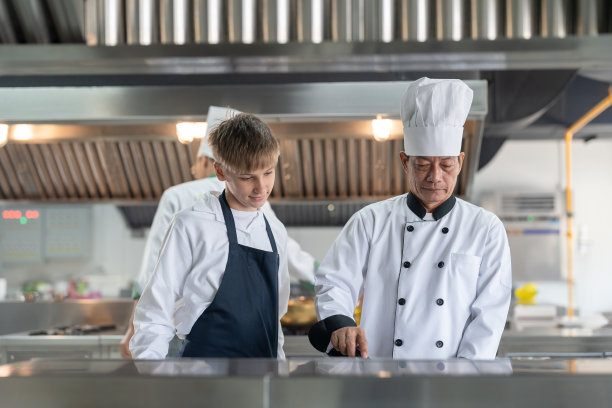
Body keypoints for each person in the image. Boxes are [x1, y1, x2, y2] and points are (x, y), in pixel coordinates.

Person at [308, 77, 512, 360]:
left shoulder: (485, 228)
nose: (435, 177)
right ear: (405, 162)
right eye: (423, 164)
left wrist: (466, 375)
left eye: (446, 164)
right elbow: (334, 281)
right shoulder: (371, 221)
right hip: (380, 373)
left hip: (452, 379)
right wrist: (341, 322)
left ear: (461, 162)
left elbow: (490, 312)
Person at [119, 106, 317, 358]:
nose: (261, 188)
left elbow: (273, 317)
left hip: (263, 375)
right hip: (203, 376)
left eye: (268, 173)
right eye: (247, 177)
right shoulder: (191, 224)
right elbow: (156, 309)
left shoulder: (274, 230)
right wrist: (150, 370)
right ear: (220, 171)